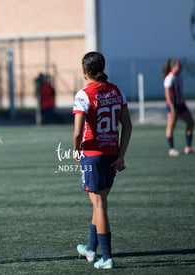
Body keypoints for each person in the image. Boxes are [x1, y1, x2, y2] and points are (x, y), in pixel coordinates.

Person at [72, 52, 132, 269]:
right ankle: (90, 248)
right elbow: (127, 125)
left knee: (100, 205)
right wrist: (121, 154)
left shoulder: (83, 94)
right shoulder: (117, 90)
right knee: (99, 204)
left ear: (84, 71)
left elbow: (78, 132)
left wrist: (76, 150)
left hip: (93, 155)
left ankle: (106, 257)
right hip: (111, 154)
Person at [162, 59, 194, 156]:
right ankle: (171, 149)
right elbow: (167, 95)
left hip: (181, 104)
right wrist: (172, 107)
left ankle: (188, 147)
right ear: (173, 66)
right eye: (178, 65)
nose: (180, 67)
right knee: (171, 126)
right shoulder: (169, 78)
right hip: (173, 105)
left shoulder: (179, 76)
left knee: (191, 122)